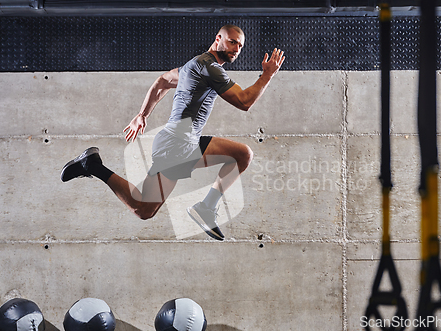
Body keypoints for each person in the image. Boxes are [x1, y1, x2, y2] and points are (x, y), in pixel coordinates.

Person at [61, 24, 285, 241]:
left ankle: (206, 208)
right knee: (143, 209)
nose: (236, 48)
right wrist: (267, 75)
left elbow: (162, 81)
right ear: (218, 39)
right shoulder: (209, 67)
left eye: (240, 46)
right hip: (177, 143)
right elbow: (244, 101)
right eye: (232, 42)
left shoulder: (193, 65)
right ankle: (92, 165)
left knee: (242, 155)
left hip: (186, 139)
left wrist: (143, 115)